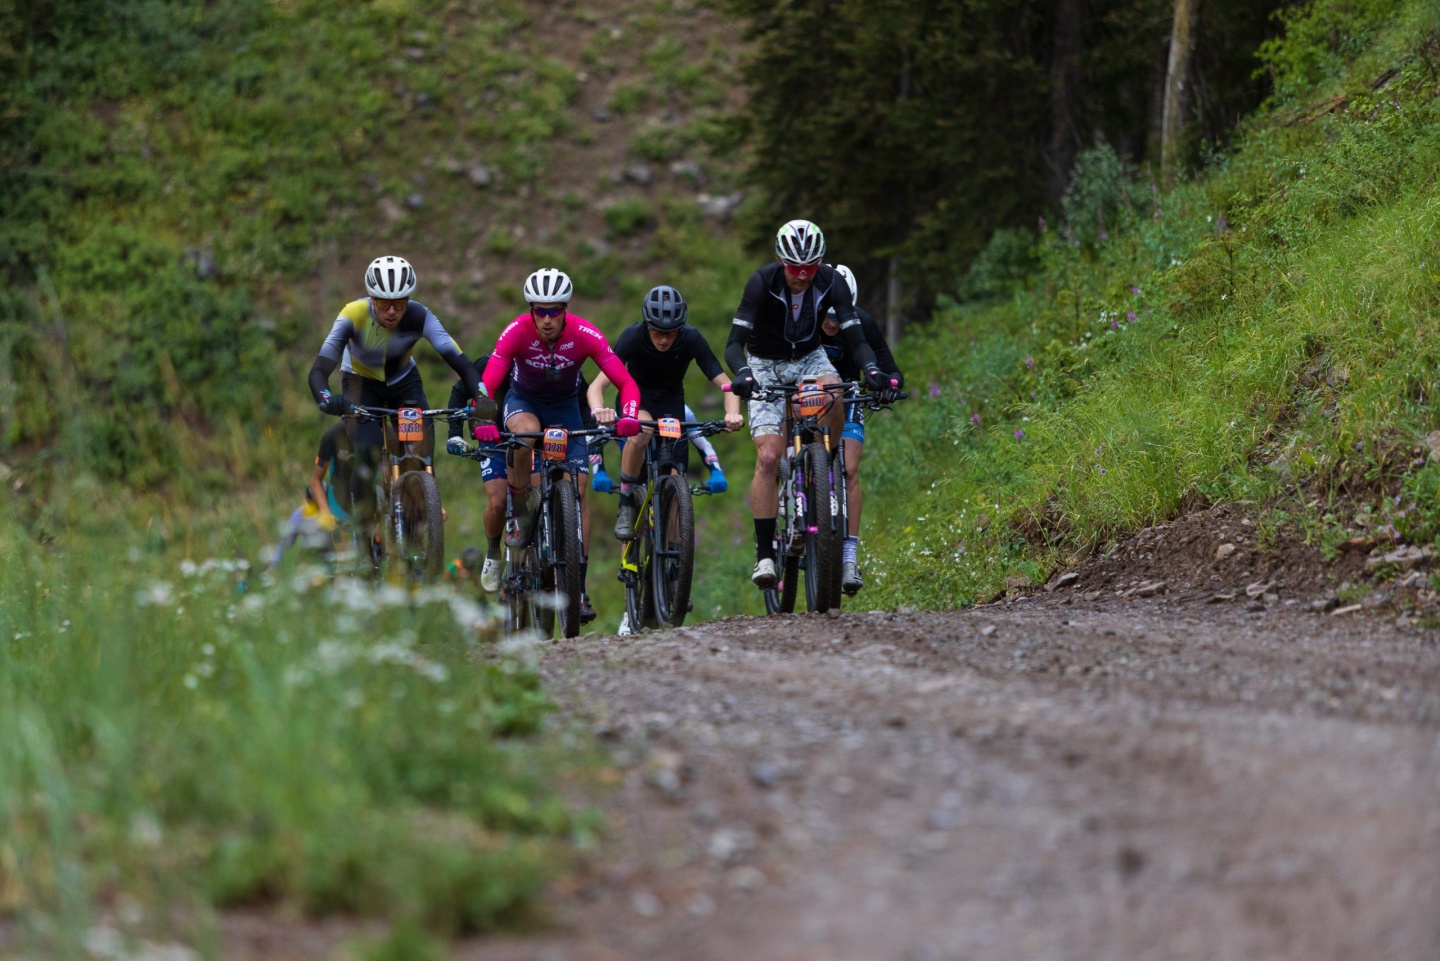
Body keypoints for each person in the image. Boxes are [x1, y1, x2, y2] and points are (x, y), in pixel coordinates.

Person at [724, 220, 890, 589]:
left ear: (820, 263)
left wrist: (873, 369)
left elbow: (856, 336)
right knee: (768, 457)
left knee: (835, 387)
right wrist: (743, 372)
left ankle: (823, 460)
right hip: (765, 363)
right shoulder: (761, 282)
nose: (801, 275)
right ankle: (765, 554)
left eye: (809, 267)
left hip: (810, 358)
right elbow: (733, 344)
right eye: (794, 267)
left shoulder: (831, 282)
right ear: (781, 261)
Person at [473, 268, 642, 623]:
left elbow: (625, 381)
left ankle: (577, 588)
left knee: (578, 492)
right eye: (539, 310)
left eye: (554, 311)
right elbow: (488, 384)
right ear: (531, 310)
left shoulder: (585, 333)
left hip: (565, 409)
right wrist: (485, 420)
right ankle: (518, 513)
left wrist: (628, 415)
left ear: (565, 309)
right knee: (526, 433)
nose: (547, 319)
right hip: (525, 403)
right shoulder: (516, 331)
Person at [307, 255, 495, 528]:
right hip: (361, 383)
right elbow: (319, 370)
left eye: (400, 303)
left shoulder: (420, 315)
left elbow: (461, 363)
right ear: (372, 299)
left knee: (420, 449)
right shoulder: (352, 315)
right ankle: (365, 528)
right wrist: (325, 398)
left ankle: (424, 500)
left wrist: (481, 397)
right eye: (384, 303)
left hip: (404, 382)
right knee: (368, 454)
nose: (392, 311)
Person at [587, 285, 743, 540]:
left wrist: (732, 413)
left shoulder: (691, 338)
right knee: (643, 430)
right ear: (647, 325)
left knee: (675, 491)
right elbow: (597, 385)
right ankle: (626, 502)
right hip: (637, 400)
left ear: (680, 328)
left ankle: (673, 563)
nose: (664, 339)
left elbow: (727, 385)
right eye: (658, 332)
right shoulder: (633, 336)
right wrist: (598, 410)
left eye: (671, 333)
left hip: (671, 404)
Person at [446, 354, 598, 599]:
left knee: (536, 494)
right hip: (495, 437)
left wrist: (590, 430)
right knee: (497, 501)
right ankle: (494, 549)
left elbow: (581, 397)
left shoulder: (552, 363)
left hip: (533, 438)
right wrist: (455, 433)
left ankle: (537, 553)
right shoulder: (488, 363)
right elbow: (458, 392)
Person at [819, 264, 904, 594]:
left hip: (849, 394)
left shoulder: (862, 322)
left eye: (838, 315)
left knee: (850, 469)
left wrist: (889, 385)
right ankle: (797, 497)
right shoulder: (804, 323)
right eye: (825, 315)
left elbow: (890, 368)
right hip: (809, 394)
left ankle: (849, 556)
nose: (831, 322)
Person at [591, 402, 729, 493]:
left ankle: (677, 533)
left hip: (666, 459)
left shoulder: (683, 411)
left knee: (676, 488)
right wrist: (599, 473)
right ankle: (627, 507)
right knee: (630, 501)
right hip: (636, 462)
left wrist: (716, 471)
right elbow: (597, 441)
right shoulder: (625, 410)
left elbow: (703, 444)